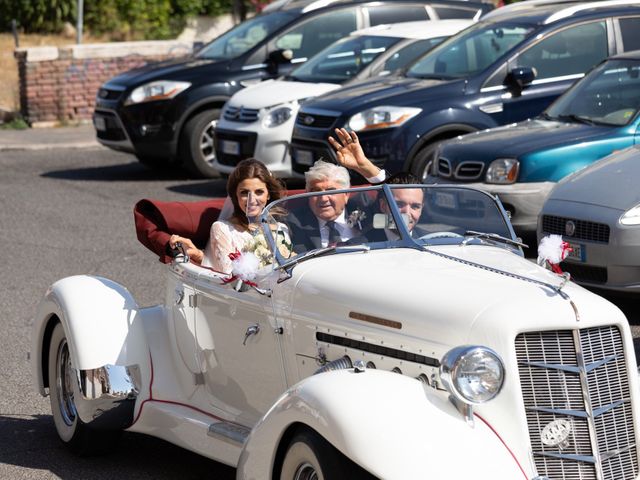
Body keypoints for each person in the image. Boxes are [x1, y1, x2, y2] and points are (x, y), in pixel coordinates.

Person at [169, 158, 286, 273]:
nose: (252, 199)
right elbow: (227, 276)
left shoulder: (280, 228)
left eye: (259, 192)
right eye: (244, 193)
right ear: (235, 196)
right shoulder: (222, 230)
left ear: (268, 195)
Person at [328, 128, 426, 240]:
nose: (407, 213)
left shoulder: (435, 242)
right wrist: (366, 167)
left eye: (415, 206)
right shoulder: (361, 245)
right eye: (398, 204)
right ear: (383, 206)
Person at [288, 160, 360, 250]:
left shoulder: (364, 209)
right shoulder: (293, 222)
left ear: (346, 195)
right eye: (315, 191)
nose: (323, 198)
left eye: (331, 191)